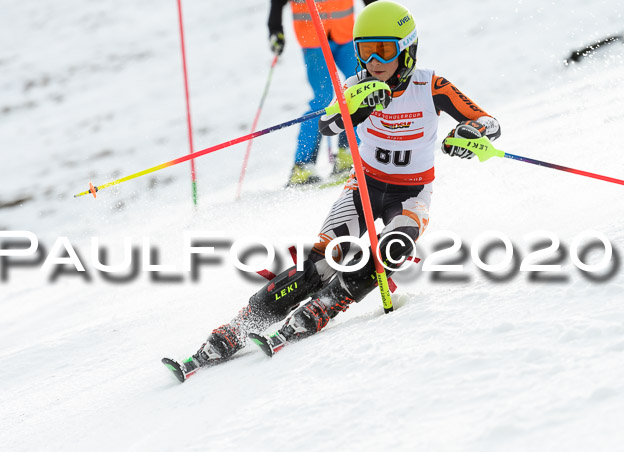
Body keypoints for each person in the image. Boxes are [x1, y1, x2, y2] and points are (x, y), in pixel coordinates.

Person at [163, 0, 501, 382]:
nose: (374, 61)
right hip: (364, 187)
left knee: (392, 248)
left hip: (410, 194)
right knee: (320, 264)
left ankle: (329, 303)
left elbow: (487, 122)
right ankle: (241, 325)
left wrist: (470, 134)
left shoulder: (431, 86)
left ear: (407, 50)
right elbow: (327, 125)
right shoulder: (357, 86)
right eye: (364, 50)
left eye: (385, 50)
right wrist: (353, 110)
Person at [268, 0, 377, 186]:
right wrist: (275, 30)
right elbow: (277, 3)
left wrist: (378, 20)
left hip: (345, 35)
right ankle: (302, 166)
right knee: (323, 98)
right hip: (313, 41)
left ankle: (348, 153)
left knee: (360, 87)